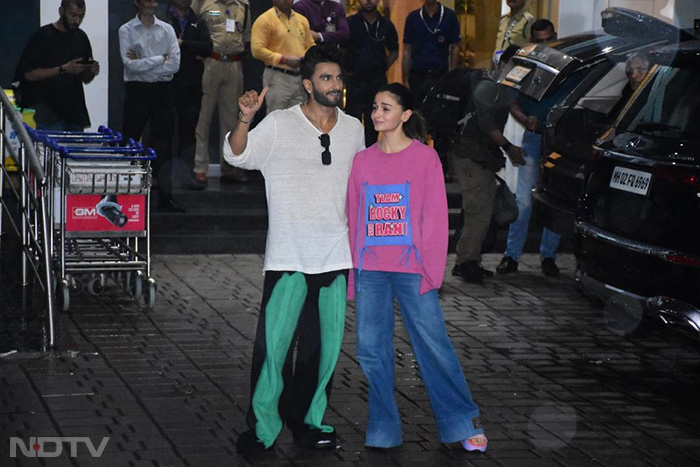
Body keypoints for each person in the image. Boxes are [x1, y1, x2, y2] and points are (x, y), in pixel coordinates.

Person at [223, 45, 364, 454]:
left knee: (322, 353)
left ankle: (310, 422)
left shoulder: (354, 128)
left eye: (338, 78)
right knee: (274, 352)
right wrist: (245, 120)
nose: (335, 85)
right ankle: (263, 430)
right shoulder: (281, 124)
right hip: (288, 256)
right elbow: (237, 154)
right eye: (325, 78)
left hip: (335, 257)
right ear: (307, 84)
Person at [346, 83, 487, 452]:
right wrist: (353, 273)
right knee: (371, 351)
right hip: (370, 272)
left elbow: (436, 218)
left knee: (434, 346)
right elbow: (354, 217)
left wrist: (432, 270)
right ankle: (383, 427)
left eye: (387, 107)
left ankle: (461, 423)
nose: (378, 114)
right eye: (375, 106)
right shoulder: (362, 161)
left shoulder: (425, 158)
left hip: (413, 271)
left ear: (405, 115)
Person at [496, 20, 566, 278]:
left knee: (555, 201)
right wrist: (525, 119)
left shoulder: (567, 69)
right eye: (539, 40)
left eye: (547, 39)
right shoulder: (528, 68)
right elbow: (511, 100)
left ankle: (548, 256)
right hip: (534, 139)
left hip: (558, 143)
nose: (544, 45)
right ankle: (511, 255)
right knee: (523, 203)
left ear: (554, 37)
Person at [450, 51, 525, 285]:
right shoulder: (487, 87)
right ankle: (465, 263)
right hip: (469, 154)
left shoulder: (498, 88)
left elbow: (508, 106)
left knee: (479, 209)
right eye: (514, 67)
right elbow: (486, 123)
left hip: (478, 155)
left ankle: (468, 260)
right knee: (478, 210)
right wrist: (509, 146)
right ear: (502, 64)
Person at [119, 0, 183, 212]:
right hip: (137, 91)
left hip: (163, 91)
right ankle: (122, 195)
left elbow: (174, 65)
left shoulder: (167, 29)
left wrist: (146, 63)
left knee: (164, 144)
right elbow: (130, 65)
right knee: (128, 139)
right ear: (136, 2)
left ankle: (165, 198)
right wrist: (160, 59)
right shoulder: (126, 30)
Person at [189, 0, 251, 189]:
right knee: (203, 117)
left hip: (233, 64)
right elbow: (191, 27)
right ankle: (200, 167)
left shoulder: (244, 6)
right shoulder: (203, 3)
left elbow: (247, 36)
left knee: (230, 119)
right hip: (210, 63)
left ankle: (229, 167)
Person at [17, 0, 99, 131]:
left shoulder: (81, 37)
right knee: (48, 149)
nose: (77, 21)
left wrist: (90, 70)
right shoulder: (42, 36)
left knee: (73, 150)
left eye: (81, 16)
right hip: (47, 110)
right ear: (61, 11)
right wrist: (62, 69)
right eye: (73, 15)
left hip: (74, 112)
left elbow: (85, 79)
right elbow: (29, 74)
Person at [165, 0, 213, 189]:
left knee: (188, 132)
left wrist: (183, 43)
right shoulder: (163, 17)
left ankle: (187, 175)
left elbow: (207, 48)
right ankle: (162, 176)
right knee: (164, 131)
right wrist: (191, 48)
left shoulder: (197, 20)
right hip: (166, 83)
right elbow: (163, 47)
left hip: (192, 83)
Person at [345, 0, 399, 146]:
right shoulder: (349, 23)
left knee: (375, 121)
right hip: (355, 80)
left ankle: (370, 154)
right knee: (352, 121)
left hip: (377, 81)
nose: (369, 1)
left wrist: (382, 65)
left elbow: (394, 51)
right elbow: (342, 51)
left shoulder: (386, 25)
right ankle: (352, 155)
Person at [251, 0, 315, 114]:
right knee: (276, 117)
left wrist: (307, 57)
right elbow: (256, 50)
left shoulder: (301, 20)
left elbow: (310, 46)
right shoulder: (265, 19)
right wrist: (282, 59)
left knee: (299, 118)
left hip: (300, 78)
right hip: (278, 77)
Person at [402, 0, 461, 107]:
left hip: (440, 76)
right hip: (417, 76)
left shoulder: (449, 16)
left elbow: (455, 47)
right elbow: (407, 49)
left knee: (438, 113)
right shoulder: (413, 17)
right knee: (416, 113)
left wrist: (452, 76)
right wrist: (405, 80)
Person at [608, 52, 651, 119]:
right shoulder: (626, 98)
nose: (634, 75)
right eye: (630, 71)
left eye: (641, 69)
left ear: (652, 70)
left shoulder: (660, 98)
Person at [493, 0, 534, 67]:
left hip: (515, 67)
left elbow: (530, 47)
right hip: (498, 65)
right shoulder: (504, 19)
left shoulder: (528, 21)